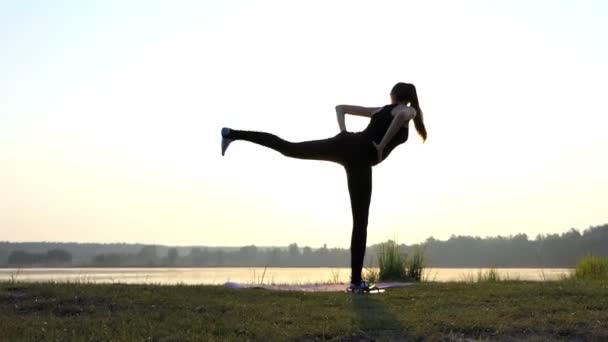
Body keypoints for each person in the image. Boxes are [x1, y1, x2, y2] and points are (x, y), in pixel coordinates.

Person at [220, 82, 427, 293]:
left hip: (346, 144)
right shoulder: (408, 110)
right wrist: (381, 146)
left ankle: (232, 134)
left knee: (288, 148)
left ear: (393, 95)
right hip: (361, 157)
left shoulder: (379, 110)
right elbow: (401, 117)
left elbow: (340, 108)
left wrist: (344, 134)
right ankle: (356, 282)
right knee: (360, 221)